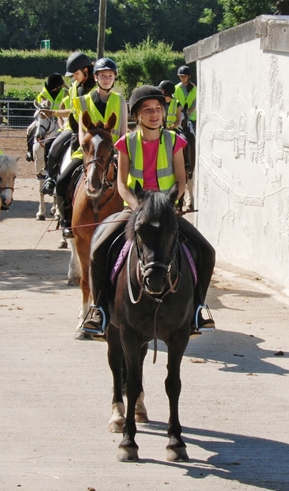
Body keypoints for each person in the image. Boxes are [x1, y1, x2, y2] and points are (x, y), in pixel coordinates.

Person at [79, 85, 216, 338]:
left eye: (158, 109)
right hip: (135, 209)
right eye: (147, 110)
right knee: (98, 250)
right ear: (137, 116)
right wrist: (136, 205)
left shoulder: (175, 140)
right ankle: (99, 310)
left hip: (165, 211)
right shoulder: (125, 143)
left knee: (207, 251)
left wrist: (171, 202)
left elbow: (180, 178)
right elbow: (121, 183)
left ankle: (198, 309)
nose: (155, 114)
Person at [53, 57, 126, 238]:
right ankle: (67, 222)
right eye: (103, 76)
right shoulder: (82, 101)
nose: (107, 79)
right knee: (62, 181)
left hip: (113, 153)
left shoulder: (120, 101)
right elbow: (80, 133)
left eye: (110, 76)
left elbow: (123, 132)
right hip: (88, 152)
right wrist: (88, 153)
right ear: (96, 78)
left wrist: (117, 154)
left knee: (135, 183)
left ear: (114, 78)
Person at [45, 51, 95, 235]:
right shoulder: (74, 87)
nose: (73, 78)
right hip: (75, 133)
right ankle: (51, 180)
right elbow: (73, 111)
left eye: (76, 74)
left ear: (86, 71)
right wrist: (54, 114)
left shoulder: (96, 88)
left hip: (94, 139)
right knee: (54, 146)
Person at [27, 73, 67, 161]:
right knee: (30, 129)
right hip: (45, 118)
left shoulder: (65, 92)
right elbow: (42, 103)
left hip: (60, 118)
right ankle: (30, 151)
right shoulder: (44, 92)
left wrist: (65, 85)